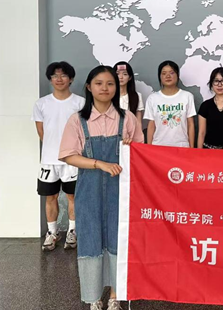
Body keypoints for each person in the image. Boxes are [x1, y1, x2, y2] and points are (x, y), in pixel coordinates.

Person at [59, 65, 144, 310]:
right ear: (89, 87)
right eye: (99, 83)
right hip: (89, 190)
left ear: (117, 87)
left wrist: (130, 147)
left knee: (119, 240)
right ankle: (94, 296)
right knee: (90, 239)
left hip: (122, 191)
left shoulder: (127, 119)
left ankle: (115, 296)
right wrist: (99, 164)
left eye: (110, 83)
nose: (104, 88)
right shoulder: (78, 120)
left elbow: (141, 154)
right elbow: (68, 155)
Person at [32, 61, 85, 251]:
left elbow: (84, 131)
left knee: (73, 196)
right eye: (55, 75)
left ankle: (72, 231)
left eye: (63, 75)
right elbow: (41, 132)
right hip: (49, 160)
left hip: (73, 159)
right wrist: (53, 150)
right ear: (50, 79)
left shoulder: (80, 103)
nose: (59, 79)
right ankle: (52, 232)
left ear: (71, 79)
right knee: (50, 197)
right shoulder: (41, 103)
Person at [144, 60, 196, 147]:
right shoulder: (152, 98)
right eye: (164, 73)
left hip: (182, 146)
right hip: (158, 145)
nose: (168, 76)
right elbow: (151, 125)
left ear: (178, 75)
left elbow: (190, 124)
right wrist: (149, 148)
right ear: (160, 77)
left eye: (172, 73)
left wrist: (191, 148)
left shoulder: (187, 96)